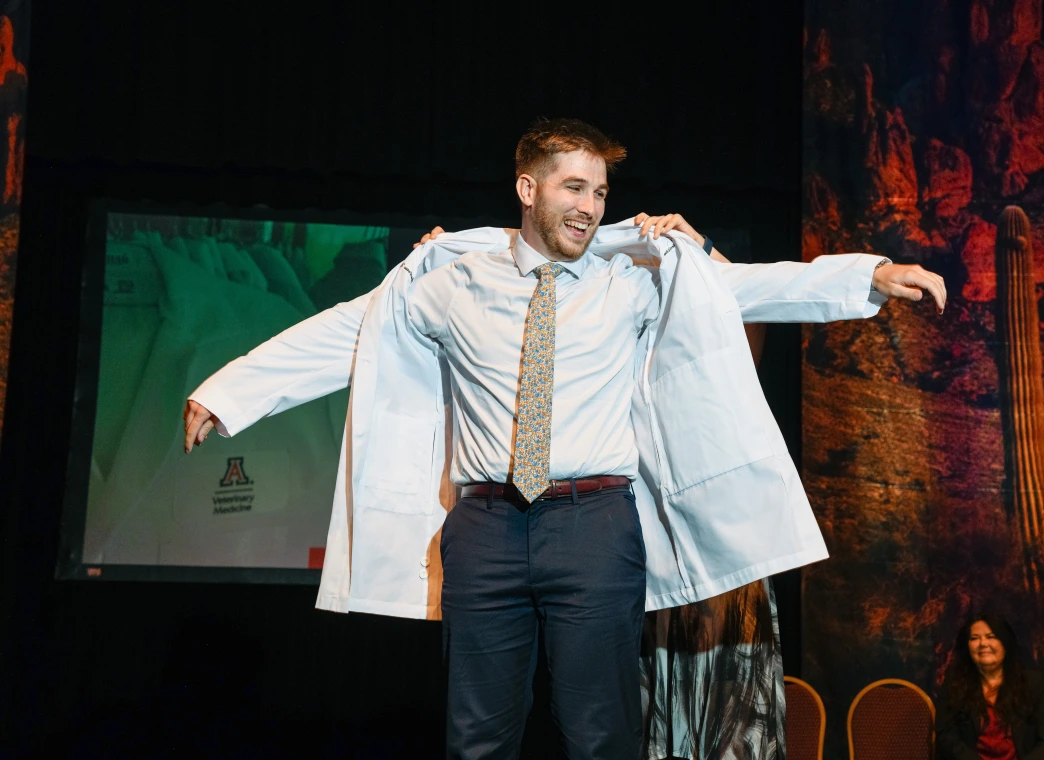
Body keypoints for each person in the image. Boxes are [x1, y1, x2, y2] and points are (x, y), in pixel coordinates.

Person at [183, 117, 946, 759]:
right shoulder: (454, 282)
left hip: (595, 524)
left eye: (601, 192)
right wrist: (230, 392)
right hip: (485, 526)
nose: (591, 206)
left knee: (600, 735)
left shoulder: (631, 281)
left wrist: (864, 278)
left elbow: (741, 287)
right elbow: (352, 329)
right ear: (529, 189)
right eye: (575, 187)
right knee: (477, 736)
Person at [936, 613, 1044, 760]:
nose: (983, 643)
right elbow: (947, 737)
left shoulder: (1033, 683)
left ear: (1005, 644)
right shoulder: (954, 683)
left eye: (991, 636)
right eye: (975, 638)